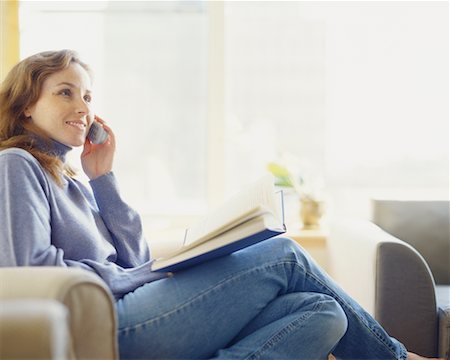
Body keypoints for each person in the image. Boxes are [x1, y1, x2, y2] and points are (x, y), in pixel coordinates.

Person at [0, 50, 440, 360]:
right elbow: (27, 269)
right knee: (285, 256)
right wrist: (135, 275)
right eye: (65, 93)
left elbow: (135, 260)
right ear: (24, 108)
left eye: (89, 96)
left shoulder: (72, 176)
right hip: (104, 326)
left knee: (321, 313)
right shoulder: (16, 165)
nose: (84, 107)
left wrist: (105, 180)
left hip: (133, 310)